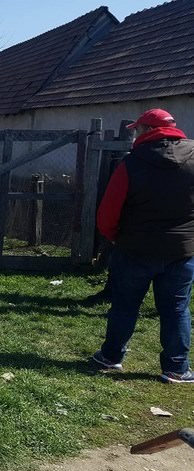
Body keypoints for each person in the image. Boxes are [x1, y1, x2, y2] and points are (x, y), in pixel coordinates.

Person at [92, 108, 194, 384]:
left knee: (125, 304)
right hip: (181, 251)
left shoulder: (132, 163)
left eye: (138, 129)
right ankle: (176, 367)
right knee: (176, 308)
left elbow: (109, 210)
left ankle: (111, 356)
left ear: (148, 130)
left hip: (135, 248)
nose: (136, 134)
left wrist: (113, 236)